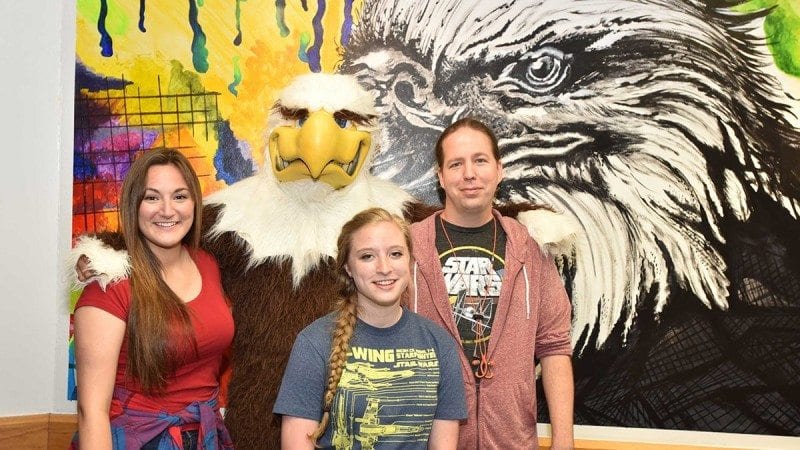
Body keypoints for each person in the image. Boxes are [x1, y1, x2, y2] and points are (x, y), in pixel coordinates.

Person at [409, 118, 575, 449]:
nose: (469, 173)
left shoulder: (530, 247)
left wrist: (563, 441)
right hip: (427, 441)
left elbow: (555, 347)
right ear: (441, 177)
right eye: (456, 164)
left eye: (480, 160)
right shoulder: (407, 248)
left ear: (499, 170)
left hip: (512, 440)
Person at [71, 148, 234, 450]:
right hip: (139, 440)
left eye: (180, 196)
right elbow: (91, 412)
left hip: (206, 437)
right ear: (134, 205)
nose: (168, 210)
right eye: (152, 197)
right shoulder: (110, 285)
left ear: (195, 204)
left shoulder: (209, 264)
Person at [273, 208, 466, 449]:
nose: (384, 268)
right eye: (367, 256)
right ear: (348, 268)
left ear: (410, 261)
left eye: (395, 253)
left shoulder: (439, 343)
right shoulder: (314, 343)